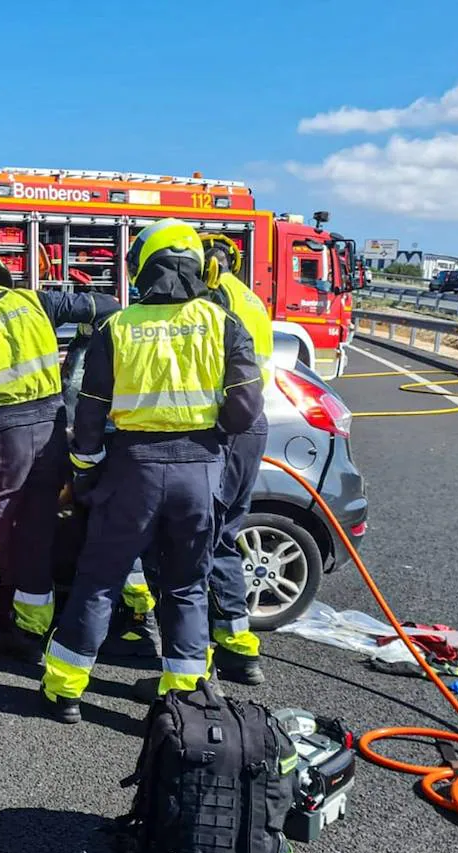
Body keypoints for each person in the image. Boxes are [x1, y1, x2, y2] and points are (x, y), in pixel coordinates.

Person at [39, 219, 263, 724]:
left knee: (99, 580)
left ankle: (65, 690)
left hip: (131, 471)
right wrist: (208, 442)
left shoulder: (118, 327)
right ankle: (183, 695)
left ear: (142, 266)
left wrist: (86, 473)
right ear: (197, 266)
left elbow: (90, 415)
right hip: (199, 471)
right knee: (186, 585)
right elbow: (246, 408)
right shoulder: (224, 323)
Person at [0, 248, 121, 672]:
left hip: (2, 434)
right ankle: (32, 636)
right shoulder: (37, 302)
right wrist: (84, 344)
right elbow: (108, 305)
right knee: (38, 533)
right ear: (3, 273)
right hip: (52, 429)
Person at [203, 234, 274, 685]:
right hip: (251, 424)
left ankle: (194, 667)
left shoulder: (216, 301)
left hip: (228, 428)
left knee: (203, 537)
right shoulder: (251, 298)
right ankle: (238, 647)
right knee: (225, 533)